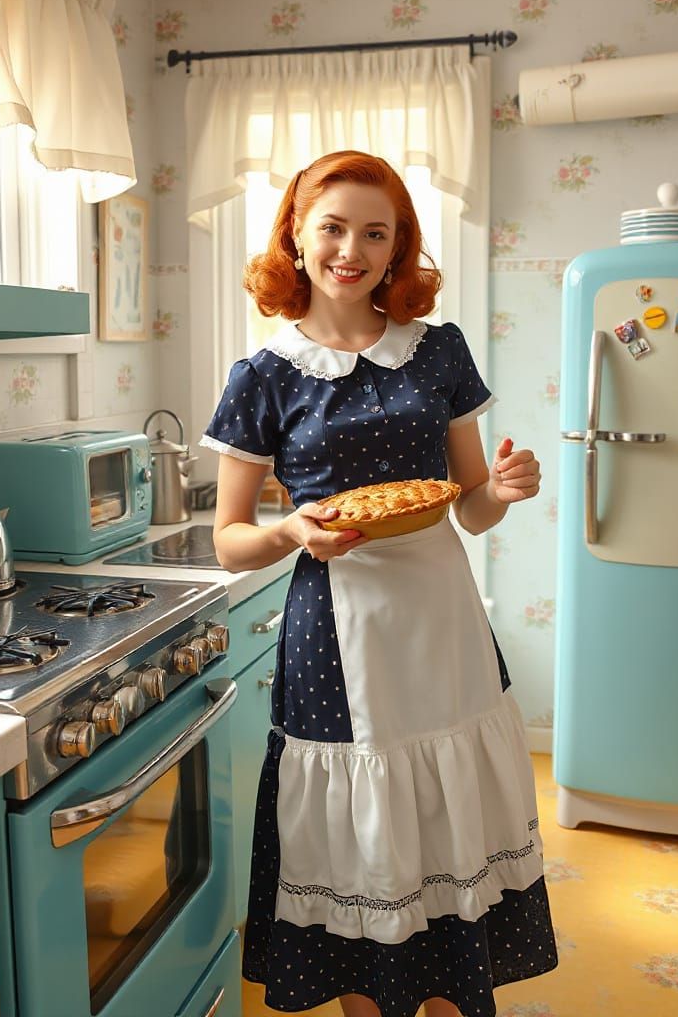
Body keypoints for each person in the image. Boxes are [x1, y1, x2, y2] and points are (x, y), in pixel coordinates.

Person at [201, 150, 558, 1017]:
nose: (350, 249)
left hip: (443, 625)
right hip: (337, 640)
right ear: (295, 232)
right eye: (332, 227)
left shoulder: (438, 351)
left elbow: (467, 508)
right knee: (366, 840)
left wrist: (501, 493)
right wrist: (290, 529)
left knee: (449, 823)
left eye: (375, 232)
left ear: (399, 248)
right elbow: (229, 542)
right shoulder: (264, 375)